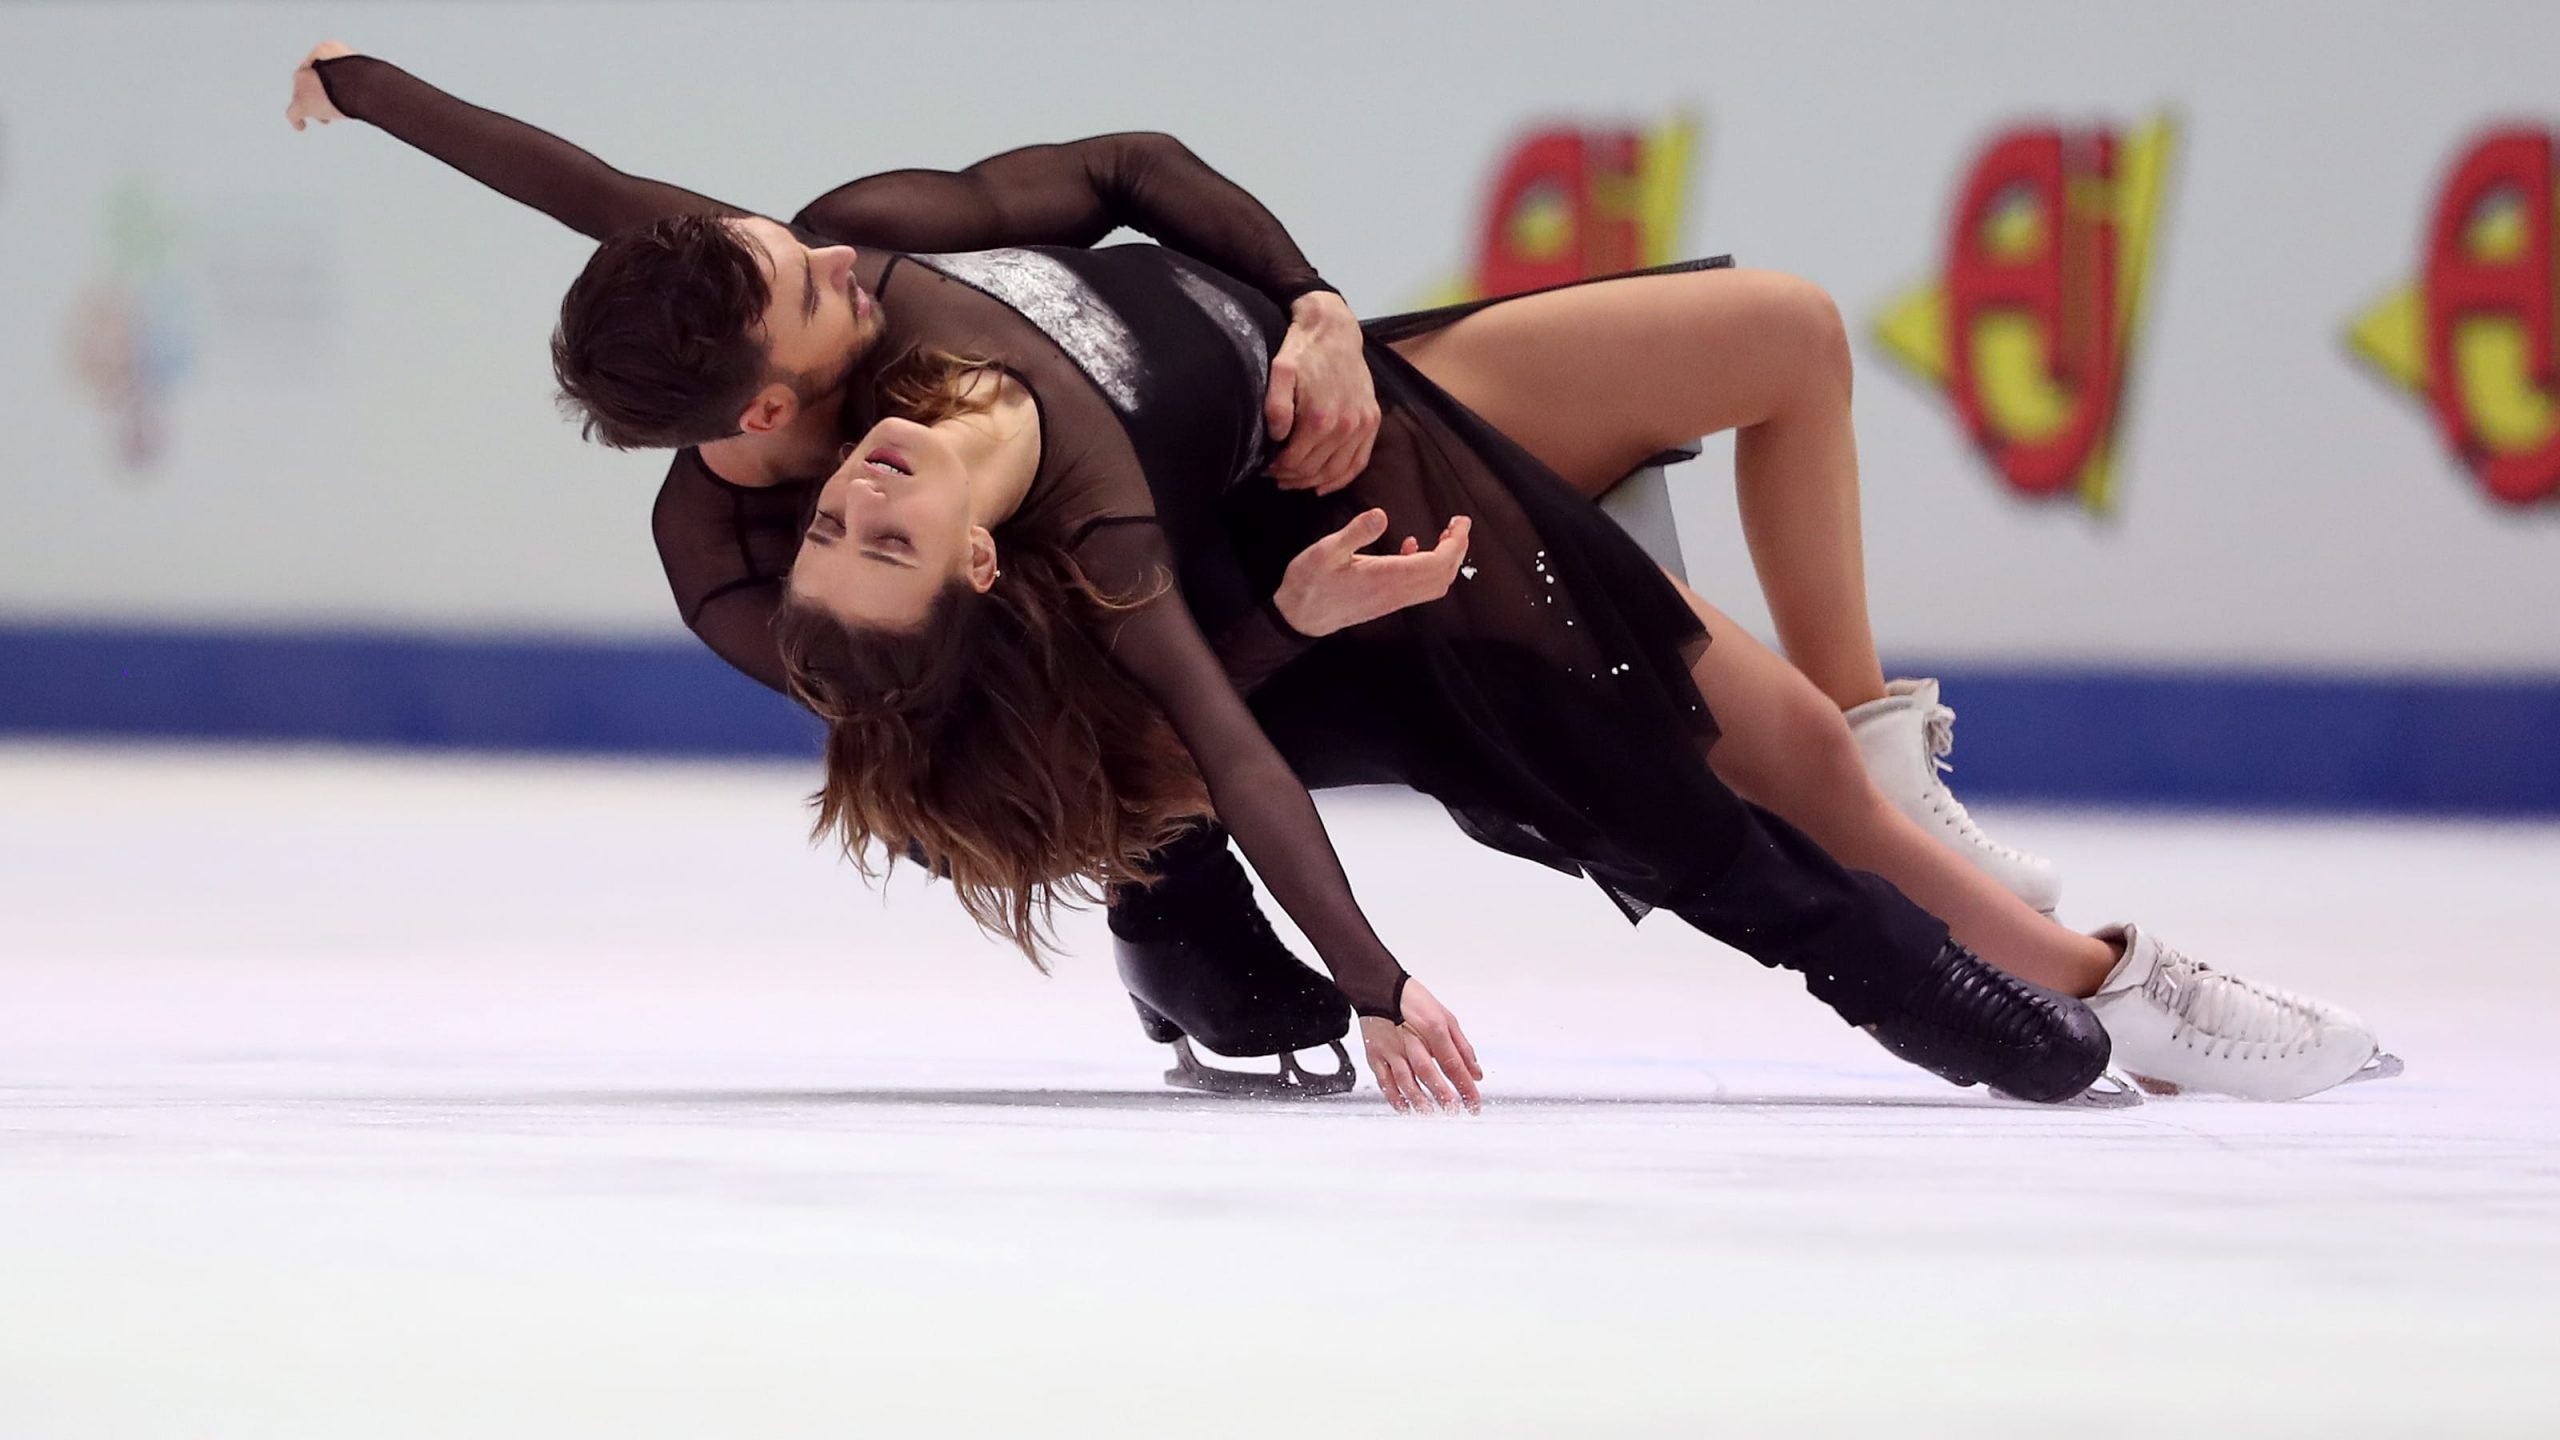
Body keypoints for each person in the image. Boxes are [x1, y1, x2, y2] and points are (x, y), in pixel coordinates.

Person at [286, 46, 2391, 1107]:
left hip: (1335, 412)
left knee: (1781, 340)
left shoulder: (854, 286)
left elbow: (1102, 175)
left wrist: (1300, 308)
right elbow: (1116, 733)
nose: (817, 247)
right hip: (1233, 630)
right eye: (862, 505)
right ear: (766, 430)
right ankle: (2076, 976)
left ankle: (1880, 768)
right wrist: (1360, 938)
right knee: (1701, 774)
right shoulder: (856, 548)